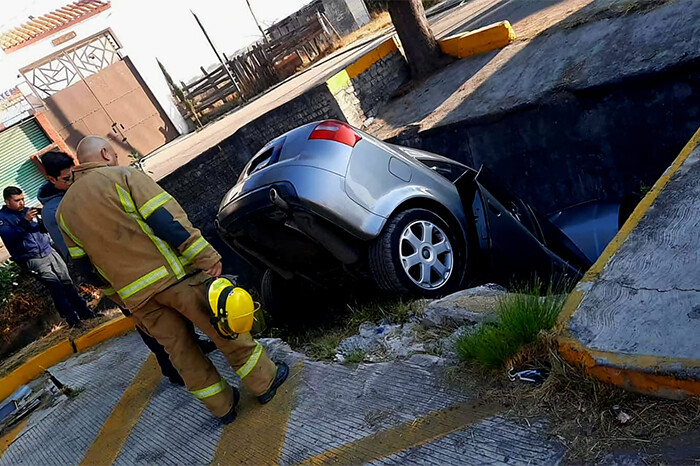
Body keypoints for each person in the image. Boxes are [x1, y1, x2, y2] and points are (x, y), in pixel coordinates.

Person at [57, 136, 288, 423]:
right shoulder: (122, 177)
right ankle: (264, 381)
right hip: (178, 279)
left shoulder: (64, 212)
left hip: (140, 300)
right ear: (105, 153)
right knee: (225, 331)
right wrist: (205, 255)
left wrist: (121, 298)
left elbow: (85, 268)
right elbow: (167, 221)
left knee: (181, 353)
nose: (115, 158)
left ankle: (222, 407)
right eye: (113, 153)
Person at [38, 150, 215, 386]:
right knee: (152, 329)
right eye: (66, 179)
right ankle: (171, 368)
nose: (73, 181)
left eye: (74, 173)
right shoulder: (55, 212)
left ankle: (193, 348)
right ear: (52, 180)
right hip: (118, 278)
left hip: (136, 268)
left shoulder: (84, 190)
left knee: (173, 322)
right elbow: (79, 256)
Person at [0, 186, 94, 328]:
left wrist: (43, 218)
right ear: (7, 202)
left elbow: (42, 229)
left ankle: (86, 313)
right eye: (17, 200)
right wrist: (25, 222)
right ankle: (72, 320)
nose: (22, 203)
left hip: (49, 251)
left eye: (23, 199)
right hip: (33, 258)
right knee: (56, 287)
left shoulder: (28, 211)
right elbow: (10, 237)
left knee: (67, 283)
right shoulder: (3, 219)